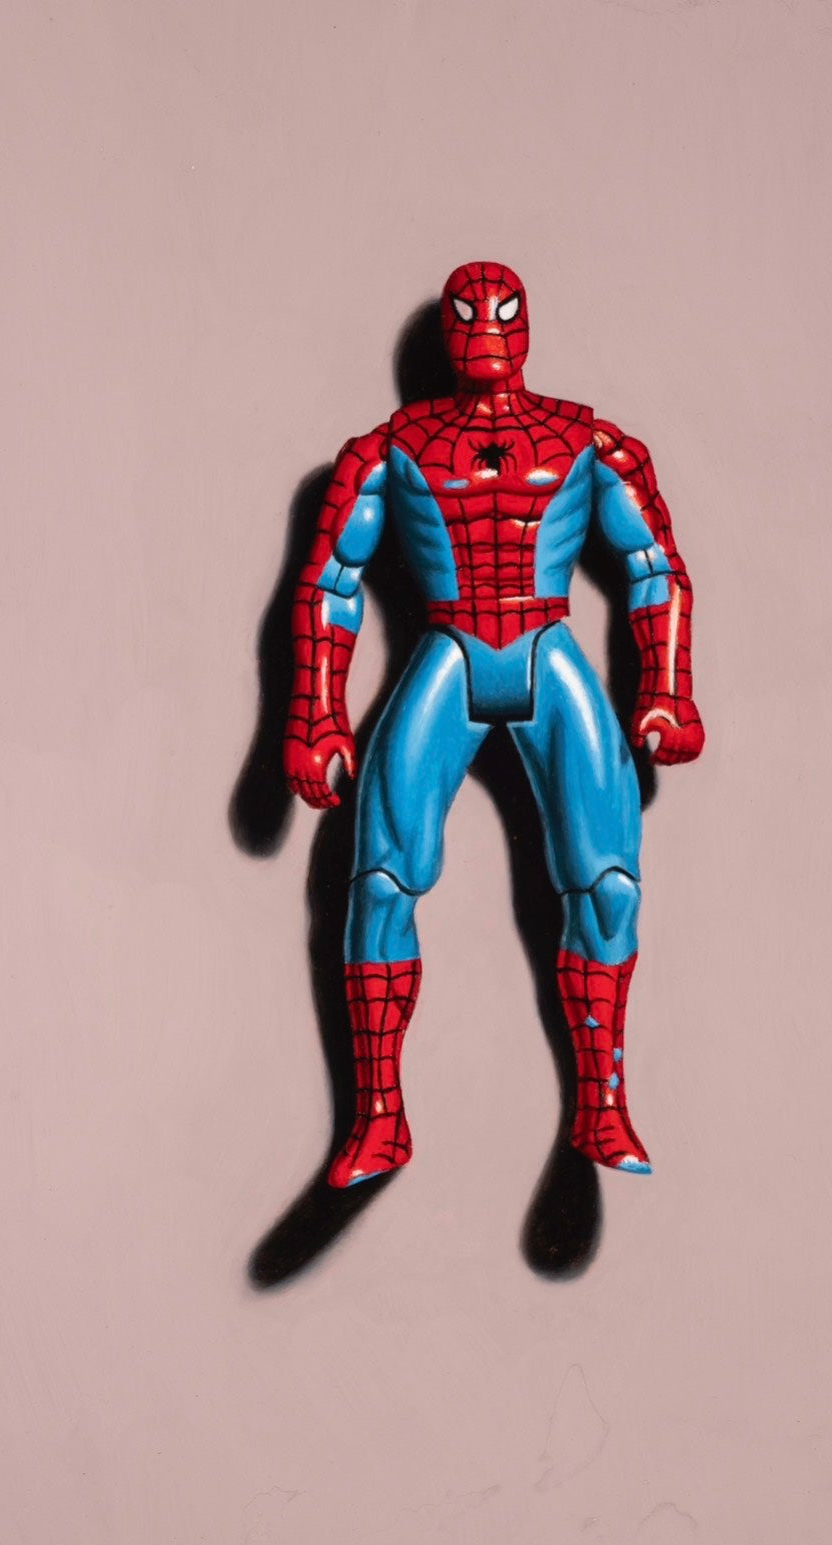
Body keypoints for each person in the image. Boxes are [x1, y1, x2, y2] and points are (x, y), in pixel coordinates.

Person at [283, 261, 704, 1187]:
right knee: (379, 883)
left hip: (547, 645)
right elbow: (330, 581)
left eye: (501, 313)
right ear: (444, 331)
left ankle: (602, 1106)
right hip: (448, 648)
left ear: (526, 325)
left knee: (610, 887)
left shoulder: (587, 440)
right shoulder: (390, 448)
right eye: (468, 315)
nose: (485, 329)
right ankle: (378, 1120)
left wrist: (668, 686)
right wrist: (314, 710)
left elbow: (653, 564)